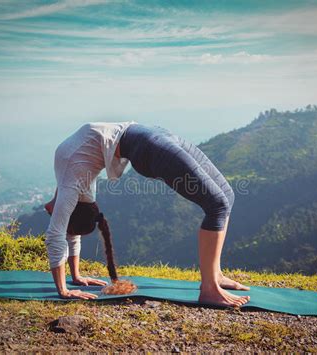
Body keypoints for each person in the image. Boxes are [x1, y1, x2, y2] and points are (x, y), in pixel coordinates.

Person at [44, 121, 250, 307]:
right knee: (218, 204)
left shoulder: (73, 182)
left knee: (226, 197)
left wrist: (65, 289)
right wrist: (75, 277)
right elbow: (67, 229)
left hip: (153, 141)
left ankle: (215, 277)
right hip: (149, 139)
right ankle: (210, 288)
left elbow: (57, 234)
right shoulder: (74, 183)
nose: (50, 210)